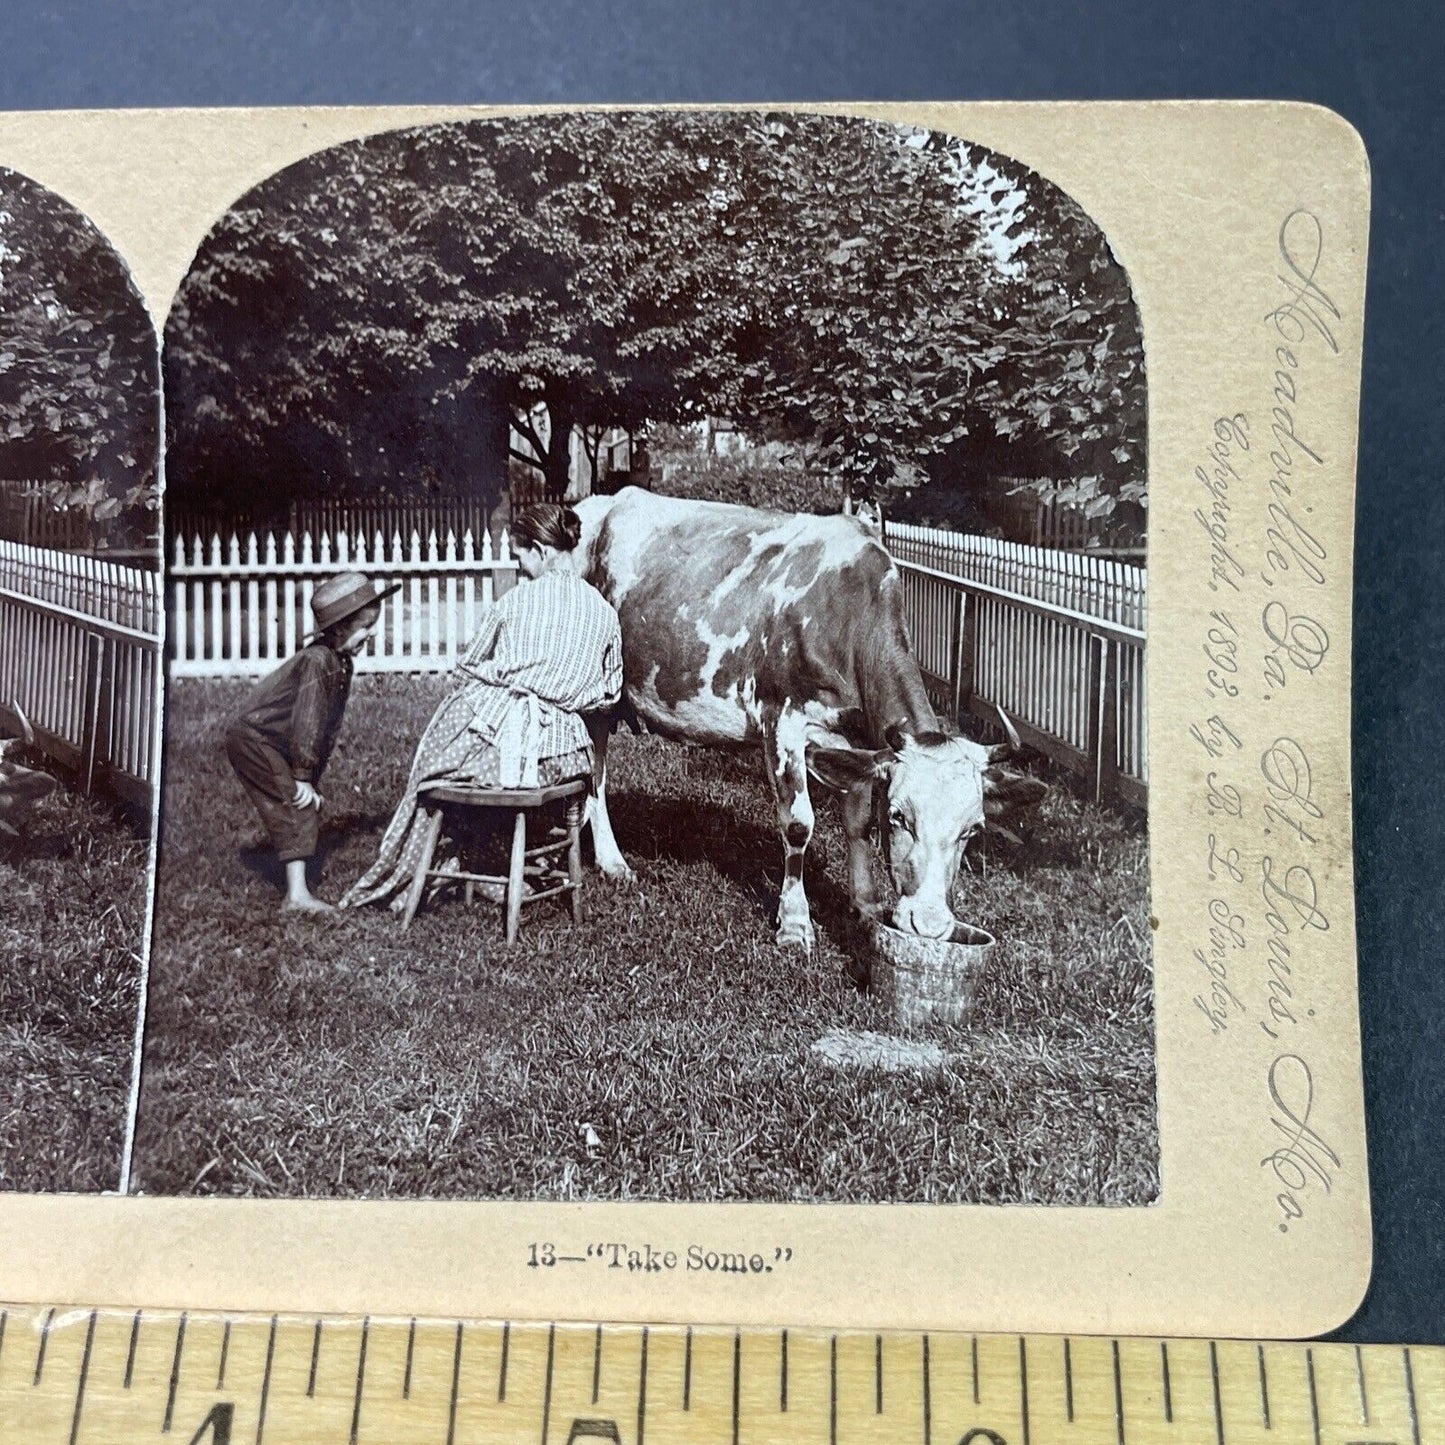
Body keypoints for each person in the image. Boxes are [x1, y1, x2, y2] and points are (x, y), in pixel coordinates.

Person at [340, 503, 624, 911]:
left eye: (521, 557)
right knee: (474, 760)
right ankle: (500, 866)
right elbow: (611, 692)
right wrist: (565, 694)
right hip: (566, 760)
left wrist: (509, 679)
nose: (520, 568)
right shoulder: (604, 612)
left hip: (510, 748)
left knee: (432, 776)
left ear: (541, 552)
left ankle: (418, 873)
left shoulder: (517, 601)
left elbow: (470, 663)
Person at [224, 571, 397, 915]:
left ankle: (295, 881)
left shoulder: (339, 661)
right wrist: (302, 777)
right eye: (365, 627)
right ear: (339, 629)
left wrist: (310, 775)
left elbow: (323, 729)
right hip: (255, 738)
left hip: (274, 738)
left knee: (301, 800)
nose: (372, 633)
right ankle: (296, 897)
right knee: (295, 803)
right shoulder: (319, 661)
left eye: (373, 624)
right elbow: (308, 720)